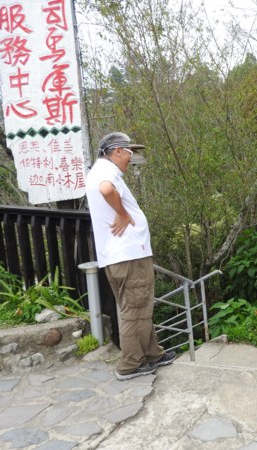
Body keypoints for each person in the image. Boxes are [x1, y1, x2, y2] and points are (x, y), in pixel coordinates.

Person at [85, 132, 176, 380]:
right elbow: (107, 190)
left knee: (139, 307)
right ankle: (130, 364)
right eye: (128, 152)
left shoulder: (97, 171)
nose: (131, 157)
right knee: (135, 310)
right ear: (116, 151)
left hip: (120, 256)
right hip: (128, 255)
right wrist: (123, 213)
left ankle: (151, 354)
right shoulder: (107, 172)